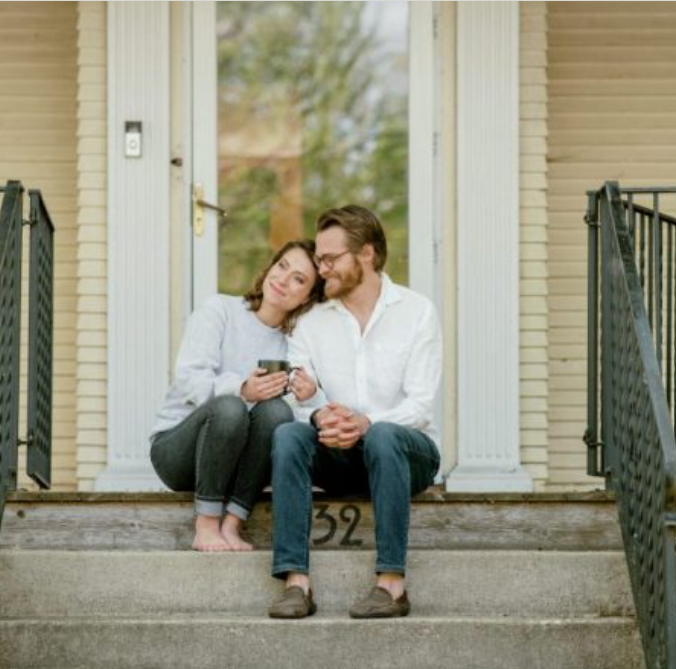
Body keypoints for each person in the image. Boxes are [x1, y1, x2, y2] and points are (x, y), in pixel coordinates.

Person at [267, 205, 442, 619]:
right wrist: (318, 417)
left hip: (406, 454)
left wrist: (367, 423)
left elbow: (419, 406)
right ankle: (296, 584)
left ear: (365, 254)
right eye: (319, 259)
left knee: (382, 435)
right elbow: (296, 398)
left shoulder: (417, 313)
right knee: (288, 435)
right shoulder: (310, 322)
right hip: (339, 454)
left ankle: (392, 586)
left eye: (330, 259)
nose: (321, 267)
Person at [149, 240, 324, 552]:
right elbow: (190, 380)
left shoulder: (295, 344)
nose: (283, 279)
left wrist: (308, 396)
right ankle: (205, 526)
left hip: (239, 467)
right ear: (270, 267)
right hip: (178, 452)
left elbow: (291, 423)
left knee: (277, 414)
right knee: (231, 407)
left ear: (309, 296)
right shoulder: (220, 310)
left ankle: (231, 524)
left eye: (299, 278)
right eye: (282, 266)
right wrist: (242, 389)